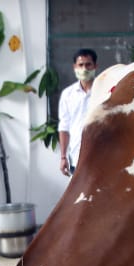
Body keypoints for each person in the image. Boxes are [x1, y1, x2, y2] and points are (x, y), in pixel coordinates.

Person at [57, 48, 98, 177]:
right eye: (81, 65)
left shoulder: (104, 91)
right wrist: (63, 157)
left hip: (101, 156)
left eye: (88, 64)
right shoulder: (68, 94)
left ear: (95, 66)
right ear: (75, 67)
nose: (84, 69)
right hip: (76, 156)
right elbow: (64, 126)